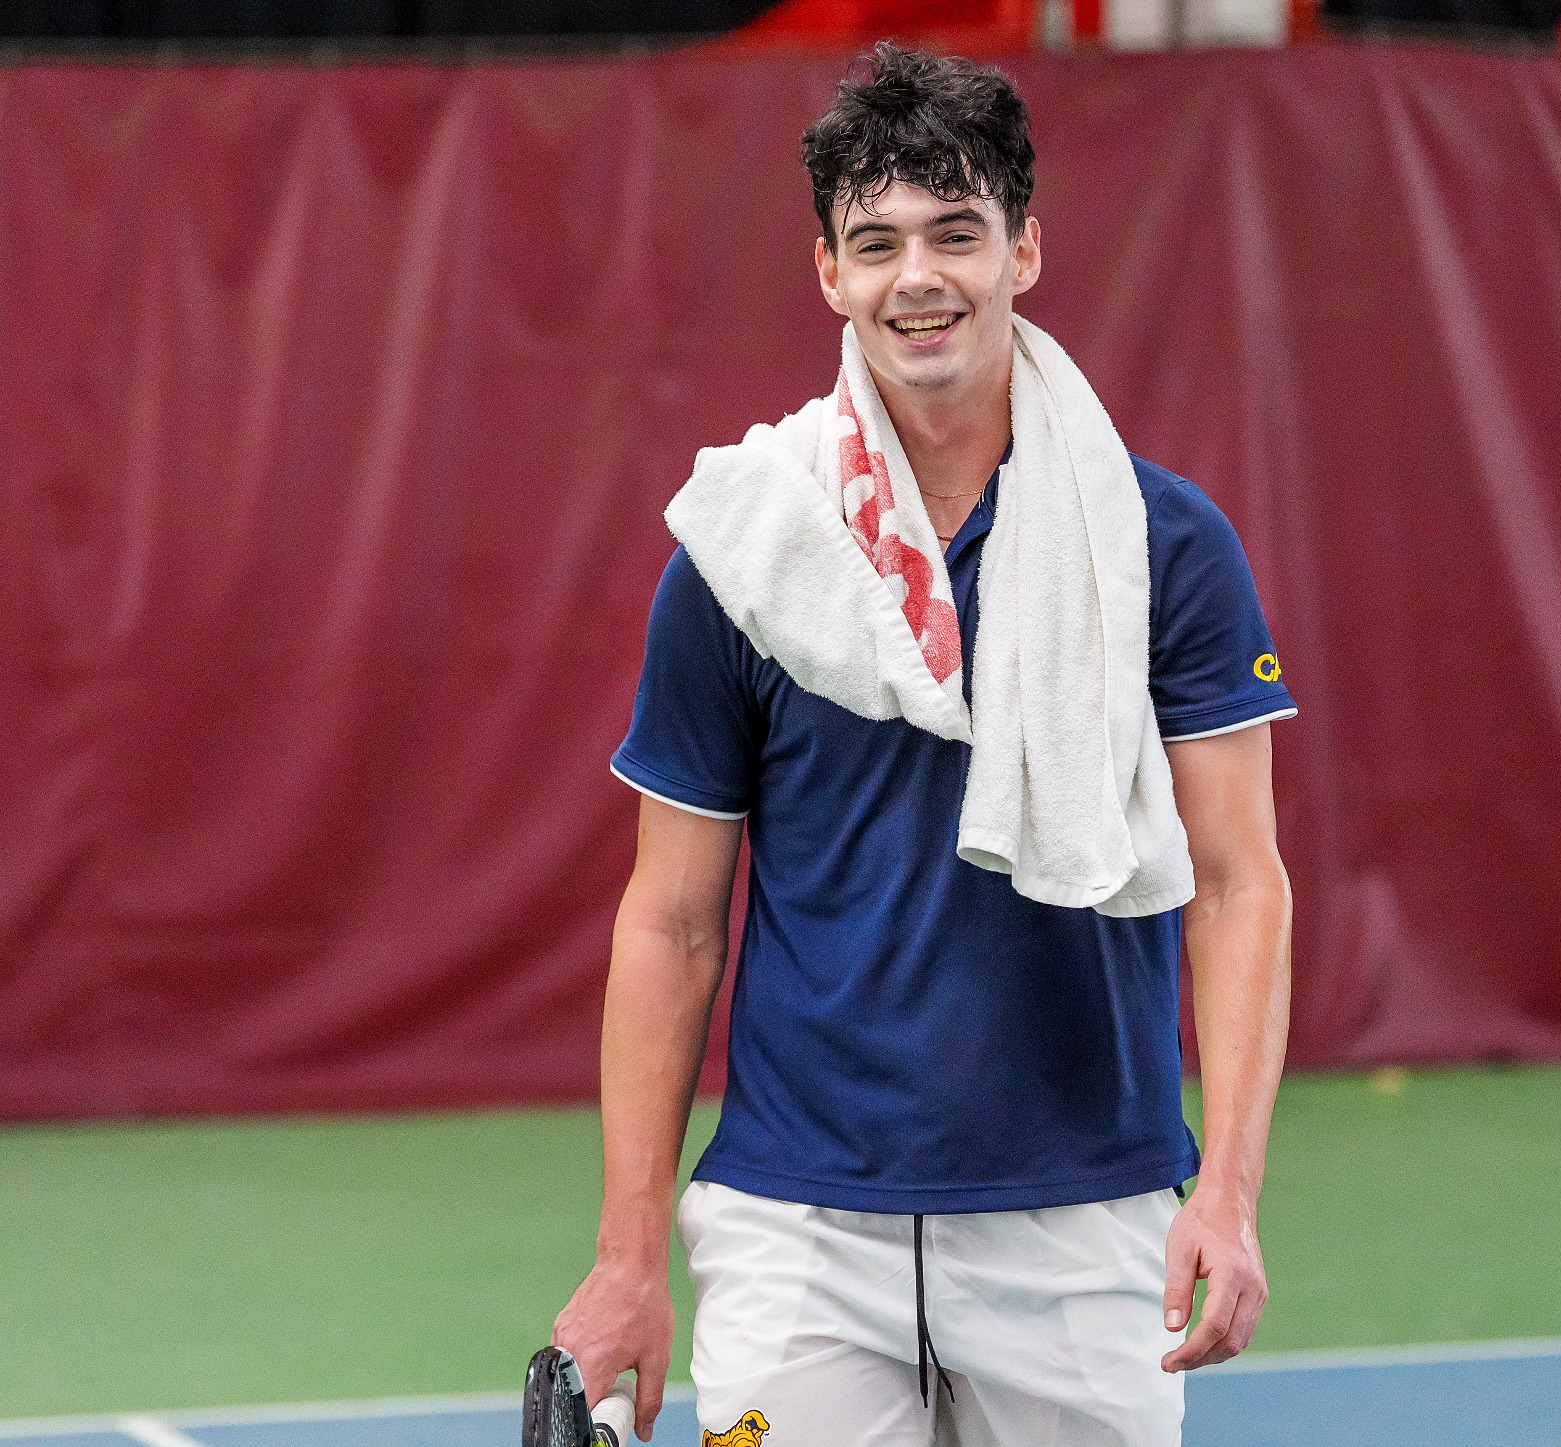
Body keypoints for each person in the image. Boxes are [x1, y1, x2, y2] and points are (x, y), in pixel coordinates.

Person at [554, 43, 1296, 1447]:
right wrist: (627, 1256)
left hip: (1089, 1220)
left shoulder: (1164, 545)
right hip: (797, 1230)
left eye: (957, 233)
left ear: (1025, 248)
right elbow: (671, 924)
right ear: (828, 273)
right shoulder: (744, 549)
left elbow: (1238, 880)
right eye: (877, 242)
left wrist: (1231, 1194)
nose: (919, 278)